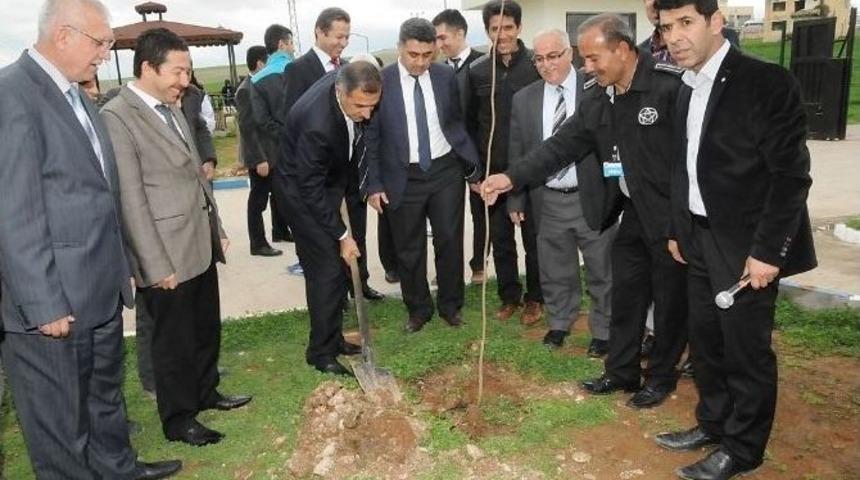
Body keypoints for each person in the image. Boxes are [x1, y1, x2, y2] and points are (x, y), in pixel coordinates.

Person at [0, 1, 181, 478]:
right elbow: (14, 212)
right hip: (52, 301)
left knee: (104, 398)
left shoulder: (76, 95)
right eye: (100, 42)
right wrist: (43, 303)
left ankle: (118, 468)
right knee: (60, 424)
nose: (105, 53)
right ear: (63, 35)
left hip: (98, 289)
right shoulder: (11, 95)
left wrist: (121, 267)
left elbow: (96, 191)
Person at [482, 13, 688, 410]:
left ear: (623, 50)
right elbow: (561, 146)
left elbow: (689, 165)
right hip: (634, 214)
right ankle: (622, 370)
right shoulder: (599, 95)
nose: (587, 68)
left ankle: (661, 378)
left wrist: (681, 226)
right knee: (626, 294)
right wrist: (510, 178)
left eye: (594, 59)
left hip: (670, 218)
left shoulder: (670, 88)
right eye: (584, 59)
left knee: (669, 300)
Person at [653, 1, 816, 478]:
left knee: (745, 350)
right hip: (698, 239)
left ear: (716, 22)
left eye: (686, 23)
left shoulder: (766, 82)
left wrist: (767, 252)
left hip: (747, 247)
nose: (674, 37)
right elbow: (683, 169)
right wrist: (677, 229)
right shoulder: (686, 88)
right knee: (706, 342)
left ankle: (743, 448)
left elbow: (790, 177)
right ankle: (714, 423)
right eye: (666, 27)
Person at [102, 28, 252, 447]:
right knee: (173, 341)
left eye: (188, 71)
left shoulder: (174, 106)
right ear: (148, 67)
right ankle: (179, 417)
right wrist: (153, 265)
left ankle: (206, 391)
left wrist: (216, 227)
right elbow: (130, 199)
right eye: (177, 71)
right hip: (164, 253)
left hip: (197, 240)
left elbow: (197, 175)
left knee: (204, 327)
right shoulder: (118, 116)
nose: (185, 81)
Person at [365, 18, 481, 333]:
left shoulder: (445, 77)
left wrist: (469, 163)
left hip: (445, 171)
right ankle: (418, 310)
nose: (420, 62)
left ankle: (451, 306)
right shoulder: (382, 81)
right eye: (413, 54)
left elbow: (456, 121)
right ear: (400, 48)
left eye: (427, 55)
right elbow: (371, 136)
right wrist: (374, 183)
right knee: (409, 247)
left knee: (450, 241)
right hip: (402, 176)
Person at [508, 28, 617, 350]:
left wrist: (617, 193)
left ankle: (604, 329)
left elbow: (613, 144)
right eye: (539, 59)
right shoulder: (523, 99)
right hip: (548, 199)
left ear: (570, 54)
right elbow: (518, 152)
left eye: (553, 56)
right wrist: (515, 198)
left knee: (602, 268)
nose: (547, 64)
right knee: (555, 269)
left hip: (592, 198)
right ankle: (559, 321)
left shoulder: (597, 89)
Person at [272, 62, 382, 376]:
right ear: (340, 91)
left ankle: (335, 339)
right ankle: (320, 352)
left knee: (336, 272)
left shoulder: (346, 78)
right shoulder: (316, 124)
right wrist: (342, 235)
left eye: (372, 106)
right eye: (359, 106)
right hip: (301, 196)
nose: (367, 115)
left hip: (326, 183)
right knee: (327, 274)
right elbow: (310, 189)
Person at [281, 7, 385, 302]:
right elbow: (295, 126)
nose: (343, 42)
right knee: (329, 251)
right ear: (319, 32)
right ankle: (336, 298)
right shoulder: (299, 70)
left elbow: (363, 127)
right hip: (317, 175)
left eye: (347, 37)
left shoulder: (350, 69)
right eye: (338, 36)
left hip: (347, 174)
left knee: (354, 235)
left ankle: (358, 283)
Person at [463, 0, 544, 325]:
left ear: (519, 28)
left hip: (530, 170)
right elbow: (468, 124)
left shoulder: (536, 66)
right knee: (500, 240)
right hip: (492, 172)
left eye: (508, 27)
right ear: (487, 31)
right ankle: (509, 295)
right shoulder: (477, 70)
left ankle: (535, 298)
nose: (502, 35)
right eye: (495, 29)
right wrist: (474, 172)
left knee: (534, 239)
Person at [432, 8, 487, 285]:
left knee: (481, 215)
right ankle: (447, 272)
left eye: (443, 37)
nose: (439, 44)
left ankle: (479, 265)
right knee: (448, 220)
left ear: (460, 33)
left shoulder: (483, 65)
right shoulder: (438, 71)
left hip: (478, 156)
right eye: (436, 39)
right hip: (447, 158)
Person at [237, 45, 283, 257]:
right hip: (260, 156)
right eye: (268, 62)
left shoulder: (260, 85)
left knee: (278, 194)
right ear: (259, 63)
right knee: (258, 201)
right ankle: (258, 243)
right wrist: (259, 159)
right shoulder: (246, 90)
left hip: (272, 152)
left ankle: (280, 231)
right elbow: (247, 129)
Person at [251, 24, 295, 244]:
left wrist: (285, 135)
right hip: (307, 147)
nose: (293, 48)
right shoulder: (300, 69)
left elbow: (261, 120)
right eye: (291, 43)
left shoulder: (257, 80)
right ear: (282, 44)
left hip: (278, 151)